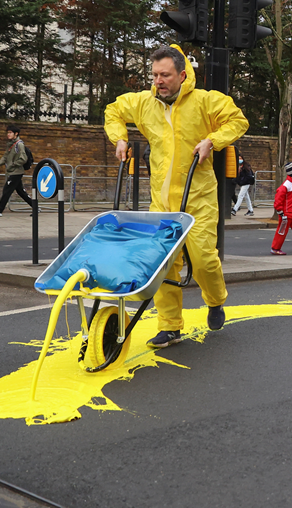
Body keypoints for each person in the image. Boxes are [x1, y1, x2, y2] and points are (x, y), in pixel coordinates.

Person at [105, 45, 249, 348]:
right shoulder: (144, 103)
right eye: (155, 74)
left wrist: (213, 140)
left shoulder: (205, 102)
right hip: (162, 201)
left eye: (165, 75)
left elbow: (237, 121)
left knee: (204, 260)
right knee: (163, 265)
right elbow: (114, 110)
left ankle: (215, 300)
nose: (158, 80)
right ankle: (170, 326)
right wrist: (119, 137)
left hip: (199, 198)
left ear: (182, 75)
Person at [0, 124, 32, 216]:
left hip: (16, 172)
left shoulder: (19, 145)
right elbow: (4, 158)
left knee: (6, 191)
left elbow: (23, 159)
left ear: (16, 134)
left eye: (10, 133)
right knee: (21, 192)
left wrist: (13, 165)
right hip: (12, 172)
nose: (8, 134)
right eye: (8, 133)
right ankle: (36, 206)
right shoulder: (10, 145)